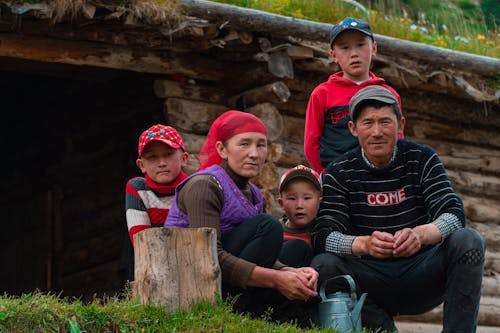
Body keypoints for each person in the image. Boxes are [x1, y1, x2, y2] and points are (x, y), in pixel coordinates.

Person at [310, 85, 485, 332]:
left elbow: (454, 215)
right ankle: (382, 328)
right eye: (368, 123)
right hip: (369, 280)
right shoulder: (339, 171)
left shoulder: (422, 158)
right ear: (353, 129)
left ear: (400, 125)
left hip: (422, 273)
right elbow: (323, 236)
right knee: (324, 264)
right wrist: (363, 244)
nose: (377, 132)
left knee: (468, 241)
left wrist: (420, 234)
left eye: (385, 122)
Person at [165, 110, 319, 327]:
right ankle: (233, 311)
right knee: (270, 226)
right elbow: (208, 258)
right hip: (191, 282)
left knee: (297, 250)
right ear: (222, 149)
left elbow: (259, 251)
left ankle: (266, 318)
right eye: (244, 144)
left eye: (261, 145)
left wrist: (289, 272)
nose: (254, 154)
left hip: (226, 277)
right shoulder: (205, 186)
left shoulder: (254, 192)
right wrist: (277, 280)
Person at [304, 17, 403, 173]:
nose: (354, 54)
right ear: (333, 55)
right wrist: (324, 176)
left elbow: (398, 138)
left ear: (374, 48)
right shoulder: (323, 94)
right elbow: (311, 143)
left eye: (361, 45)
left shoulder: (389, 94)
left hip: (379, 176)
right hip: (337, 178)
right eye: (345, 48)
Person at [123, 124, 188, 281]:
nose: (162, 163)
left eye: (168, 154)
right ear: (141, 165)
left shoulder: (194, 186)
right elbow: (141, 242)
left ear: (184, 159)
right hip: (151, 266)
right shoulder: (138, 188)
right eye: (152, 157)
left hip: (189, 261)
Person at [277, 165, 322, 268]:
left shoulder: (323, 232)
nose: (299, 205)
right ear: (281, 203)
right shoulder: (275, 232)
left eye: (307, 198)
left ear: (319, 202)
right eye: (292, 198)